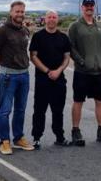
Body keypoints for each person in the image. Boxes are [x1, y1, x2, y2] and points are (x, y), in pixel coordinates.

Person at [0, 0, 34, 155]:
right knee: (5, 110)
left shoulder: (25, 30)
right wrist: (5, 65)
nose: (20, 14)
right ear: (11, 12)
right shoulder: (2, 31)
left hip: (24, 75)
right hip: (9, 76)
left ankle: (18, 138)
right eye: (17, 11)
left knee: (20, 110)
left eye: (22, 11)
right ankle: (4, 141)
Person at [68, 0, 101, 146]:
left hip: (99, 72)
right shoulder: (75, 26)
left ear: (94, 7)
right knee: (78, 101)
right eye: (86, 5)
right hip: (82, 73)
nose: (89, 8)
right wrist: (81, 61)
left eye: (91, 5)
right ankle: (76, 131)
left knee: (100, 101)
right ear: (82, 7)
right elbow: (71, 47)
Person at [30, 10, 72, 149]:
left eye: (54, 17)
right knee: (39, 110)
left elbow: (67, 58)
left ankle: (59, 137)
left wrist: (58, 71)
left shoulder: (64, 38)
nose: (52, 19)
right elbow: (33, 56)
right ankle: (36, 138)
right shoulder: (37, 36)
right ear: (45, 19)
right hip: (42, 80)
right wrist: (47, 71)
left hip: (59, 81)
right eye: (49, 17)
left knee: (58, 111)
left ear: (57, 19)